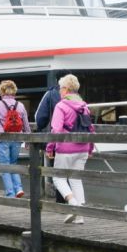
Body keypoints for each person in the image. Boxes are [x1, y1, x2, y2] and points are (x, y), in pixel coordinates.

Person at [47, 74, 95, 224]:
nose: (59, 91)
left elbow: (56, 130)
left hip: (66, 148)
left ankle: (72, 203)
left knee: (58, 178)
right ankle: (80, 216)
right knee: (76, 179)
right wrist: (90, 148)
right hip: (83, 148)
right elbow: (91, 130)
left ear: (66, 89)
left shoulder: (61, 106)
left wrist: (50, 147)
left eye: (61, 88)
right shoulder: (84, 107)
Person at [0, 80, 28, 199]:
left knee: (4, 166)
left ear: (1, 91)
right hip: (17, 138)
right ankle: (19, 188)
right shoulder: (20, 105)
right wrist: (28, 140)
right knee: (13, 163)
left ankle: (10, 194)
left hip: (2, 139)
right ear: (14, 91)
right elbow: (26, 125)